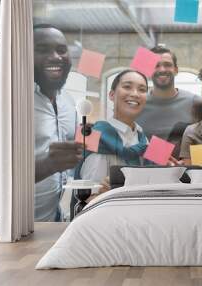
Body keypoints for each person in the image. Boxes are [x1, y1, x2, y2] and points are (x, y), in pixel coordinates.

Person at [33, 24, 83, 222]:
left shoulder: (68, 103)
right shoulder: (10, 100)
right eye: (42, 49)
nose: (55, 57)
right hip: (16, 224)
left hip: (59, 218)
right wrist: (47, 165)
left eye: (61, 50)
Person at [77, 70, 149, 201]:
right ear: (111, 95)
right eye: (127, 87)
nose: (135, 94)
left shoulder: (143, 139)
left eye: (142, 90)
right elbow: (88, 198)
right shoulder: (94, 136)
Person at [136, 46, 202, 158]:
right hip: (146, 173)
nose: (162, 69)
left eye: (167, 65)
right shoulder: (139, 104)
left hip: (186, 173)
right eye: (156, 66)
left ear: (176, 70)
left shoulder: (196, 103)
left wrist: (197, 166)